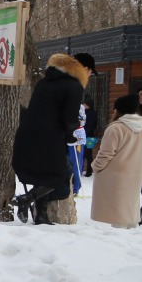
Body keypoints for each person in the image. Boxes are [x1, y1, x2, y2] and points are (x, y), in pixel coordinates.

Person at [13, 53, 94, 225]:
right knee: (60, 173)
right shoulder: (74, 86)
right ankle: (26, 199)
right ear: (84, 69)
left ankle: (40, 216)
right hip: (50, 136)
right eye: (90, 72)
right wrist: (72, 135)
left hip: (28, 132)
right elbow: (70, 117)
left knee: (44, 174)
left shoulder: (44, 82)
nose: (90, 76)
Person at [90, 95, 142, 229]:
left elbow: (105, 154)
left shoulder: (115, 128)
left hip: (113, 176)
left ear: (118, 110)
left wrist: (95, 167)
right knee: (129, 209)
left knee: (115, 215)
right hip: (135, 173)